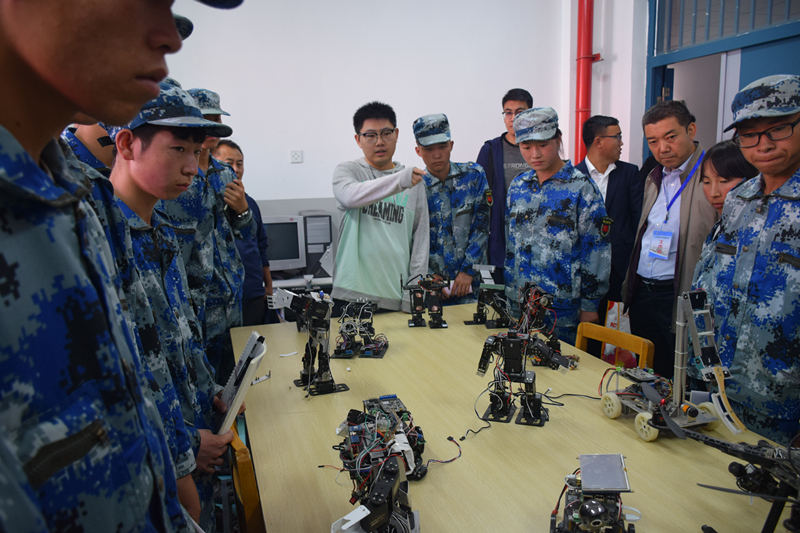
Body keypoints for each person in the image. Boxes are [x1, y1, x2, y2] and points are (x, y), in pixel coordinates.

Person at [0, 0, 242, 531]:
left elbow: (136, 379)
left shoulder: (71, 203)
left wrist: (177, 461)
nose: (171, 38)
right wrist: (181, 460)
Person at [699, 74, 800, 445]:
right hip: (719, 382)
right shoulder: (738, 199)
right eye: (750, 135)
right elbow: (707, 279)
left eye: (779, 129)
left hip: (781, 402)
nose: (764, 144)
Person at [159, 88, 255, 384]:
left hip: (230, 295)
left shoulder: (225, 174)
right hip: (194, 300)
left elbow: (245, 233)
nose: (212, 126)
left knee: (232, 379)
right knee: (200, 380)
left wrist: (243, 210)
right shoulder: (174, 176)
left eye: (217, 119)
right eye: (206, 118)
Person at [622, 100, 715, 379]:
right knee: (648, 373)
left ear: (691, 130)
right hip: (643, 292)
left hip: (679, 294)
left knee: (684, 376)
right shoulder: (653, 176)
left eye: (670, 137)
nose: (662, 148)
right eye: (653, 141)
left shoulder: (712, 176)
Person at [504, 107, 611, 345]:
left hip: (561, 308)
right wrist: (510, 293)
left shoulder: (582, 188)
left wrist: (590, 305)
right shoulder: (518, 187)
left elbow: (596, 251)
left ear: (558, 139)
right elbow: (511, 245)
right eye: (526, 147)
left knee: (561, 365)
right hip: (520, 303)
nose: (535, 154)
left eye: (543, 145)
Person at [331, 101, 429, 311]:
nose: (379, 142)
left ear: (396, 134)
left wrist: (412, 294)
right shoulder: (348, 171)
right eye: (370, 135)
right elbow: (349, 197)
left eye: (386, 133)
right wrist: (400, 180)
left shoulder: (414, 183)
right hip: (351, 297)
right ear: (358, 139)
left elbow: (420, 243)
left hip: (395, 297)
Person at [575, 116, 642, 357]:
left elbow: (638, 221)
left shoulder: (630, 173)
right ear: (599, 141)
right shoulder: (574, 176)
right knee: (587, 335)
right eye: (617, 136)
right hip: (584, 271)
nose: (621, 142)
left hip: (620, 269)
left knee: (625, 338)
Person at [413, 113, 490, 304]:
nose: (437, 154)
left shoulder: (473, 176)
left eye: (442, 146)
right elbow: (409, 240)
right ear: (418, 151)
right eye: (429, 149)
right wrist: (428, 276)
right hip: (433, 291)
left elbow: (482, 228)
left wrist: (468, 270)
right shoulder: (414, 188)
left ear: (451, 145)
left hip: (472, 287)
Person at [214, 139, 276, 325]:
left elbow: (260, 246)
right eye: (229, 163)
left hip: (252, 292)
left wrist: (268, 285)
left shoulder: (251, 204)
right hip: (220, 298)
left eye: (239, 164)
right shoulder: (209, 203)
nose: (235, 169)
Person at [476, 88, 533, 280]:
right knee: (497, 295)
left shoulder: (538, 151)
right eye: (508, 113)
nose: (513, 118)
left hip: (534, 244)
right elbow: (479, 200)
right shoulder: (491, 150)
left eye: (520, 112)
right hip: (499, 244)